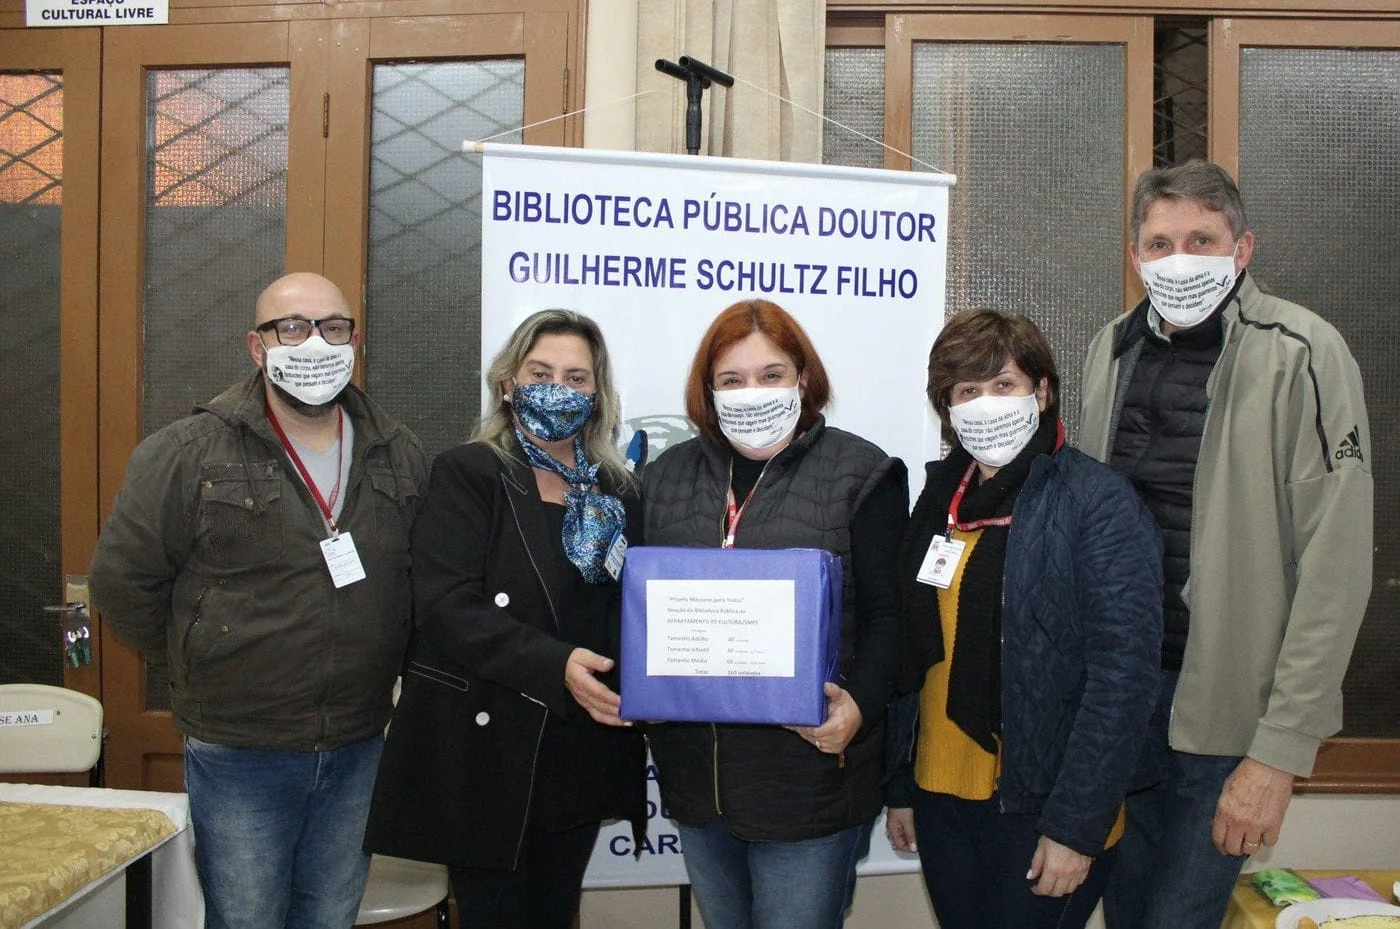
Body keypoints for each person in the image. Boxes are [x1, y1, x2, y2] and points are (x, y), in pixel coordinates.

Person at [1079, 160, 1374, 929]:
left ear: (1242, 249)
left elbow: (1336, 567)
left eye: (1202, 239)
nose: (1180, 259)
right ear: (1135, 256)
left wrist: (1279, 751)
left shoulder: (1304, 351)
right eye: (1160, 242)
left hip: (1231, 716)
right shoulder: (1109, 349)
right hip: (1123, 699)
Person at [89, 272, 429, 929]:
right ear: (257, 346)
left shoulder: (398, 452)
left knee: (330, 914)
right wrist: (204, 654)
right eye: (292, 327)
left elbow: (415, 584)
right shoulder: (187, 452)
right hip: (240, 748)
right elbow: (121, 583)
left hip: (359, 741)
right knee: (246, 916)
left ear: (354, 342)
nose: (315, 342)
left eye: (333, 327)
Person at [364, 309, 647, 929]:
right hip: (487, 749)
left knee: (555, 914)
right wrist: (557, 665)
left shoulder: (618, 491)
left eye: (576, 377)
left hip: (579, 744)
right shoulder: (469, 473)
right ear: (508, 383)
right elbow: (446, 606)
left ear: (597, 393)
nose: (558, 388)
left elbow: (636, 611)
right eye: (540, 373)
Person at [883, 309, 1163, 929]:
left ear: (1042, 390)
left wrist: (1076, 827)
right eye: (968, 390)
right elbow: (913, 651)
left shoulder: (1097, 502)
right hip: (941, 796)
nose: (986, 403)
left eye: (1004, 384)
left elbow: (1124, 680)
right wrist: (901, 786)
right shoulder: (939, 498)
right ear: (947, 407)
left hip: (1045, 808)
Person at [641, 299, 908, 929]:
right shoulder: (664, 477)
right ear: (708, 391)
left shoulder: (861, 472)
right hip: (698, 783)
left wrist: (859, 707)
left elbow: (890, 616)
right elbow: (639, 609)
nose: (752, 392)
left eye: (771, 374)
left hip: (810, 780)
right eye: (731, 379)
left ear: (803, 379)